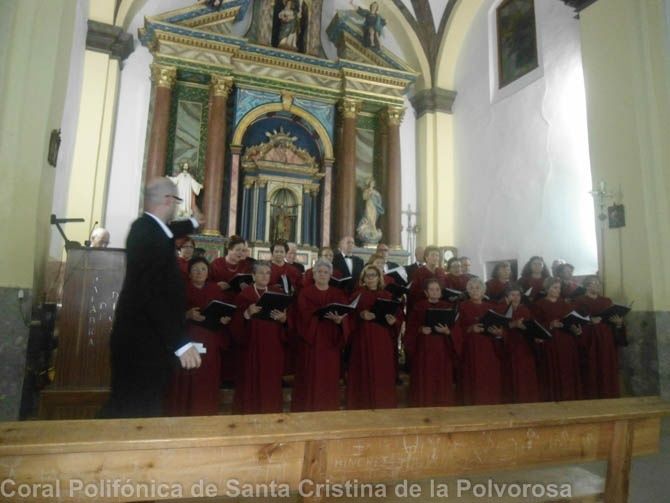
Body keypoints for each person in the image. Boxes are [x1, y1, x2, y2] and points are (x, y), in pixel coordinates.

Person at [103, 177, 202, 418]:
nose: (177, 206)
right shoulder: (148, 233)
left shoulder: (150, 229)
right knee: (132, 412)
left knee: (139, 409)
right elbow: (151, 293)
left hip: (146, 341)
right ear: (168, 200)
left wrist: (193, 222)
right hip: (142, 344)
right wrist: (180, 342)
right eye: (176, 201)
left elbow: (169, 232)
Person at [165, 257, 231, 416]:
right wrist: (186, 314)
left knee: (207, 379)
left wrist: (224, 319)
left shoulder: (215, 290)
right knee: (186, 379)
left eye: (203, 269)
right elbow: (168, 316)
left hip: (210, 340)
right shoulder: (180, 290)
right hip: (186, 342)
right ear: (189, 273)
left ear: (208, 272)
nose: (199, 272)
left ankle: (206, 414)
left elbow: (224, 313)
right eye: (195, 269)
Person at [292, 259, 351, 411]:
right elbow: (302, 316)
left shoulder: (338, 294)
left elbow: (346, 315)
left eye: (325, 272)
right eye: (319, 272)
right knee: (311, 376)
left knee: (328, 376)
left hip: (331, 341)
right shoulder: (306, 293)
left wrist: (340, 321)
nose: (322, 275)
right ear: (314, 274)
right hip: (312, 341)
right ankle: (309, 408)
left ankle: (328, 408)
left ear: (331, 275)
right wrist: (316, 315)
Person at [232, 261, 288, 414]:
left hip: (272, 346)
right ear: (253, 275)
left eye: (268, 273)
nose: (265, 276)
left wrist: (284, 319)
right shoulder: (244, 295)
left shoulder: (278, 294)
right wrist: (247, 313)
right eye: (261, 273)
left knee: (271, 382)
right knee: (250, 380)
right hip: (251, 346)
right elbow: (235, 324)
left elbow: (287, 322)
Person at [347, 264, 399, 409]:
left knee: (382, 371)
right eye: (367, 276)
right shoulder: (356, 296)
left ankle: (383, 404)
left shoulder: (387, 296)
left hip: (382, 339)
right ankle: (361, 404)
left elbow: (397, 318)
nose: (370, 278)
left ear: (379, 278)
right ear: (363, 278)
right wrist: (360, 314)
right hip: (362, 338)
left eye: (373, 275)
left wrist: (393, 321)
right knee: (362, 370)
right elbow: (348, 317)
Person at [405, 278, 460, 406]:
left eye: (437, 289)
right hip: (424, 348)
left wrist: (448, 331)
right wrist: (420, 329)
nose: (435, 292)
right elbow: (410, 328)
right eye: (431, 289)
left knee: (441, 376)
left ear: (441, 292)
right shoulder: (419, 306)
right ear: (426, 292)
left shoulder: (448, 306)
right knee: (425, 377)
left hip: (443, 348)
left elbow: (456, 328)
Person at [531, 277, 583, 401]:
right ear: (547, 288)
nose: (558, 290)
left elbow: (572, 321)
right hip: (550, 342)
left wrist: (576, 330)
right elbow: (535, 325)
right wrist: (550, 324)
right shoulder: (539, 305)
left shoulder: (565, 304)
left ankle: (569, 399)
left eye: (559, 288)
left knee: (567, 371)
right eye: (555, 287)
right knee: (551, 370)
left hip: (566, 342)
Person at [573, 275, 626, 399]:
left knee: (607, 366)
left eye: (598, 283)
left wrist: (619, 323)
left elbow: (614, 320)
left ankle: (609, 395)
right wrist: (590, 321)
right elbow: (574, 321)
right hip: (589, 339)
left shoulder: (606, 301)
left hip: (606, 339)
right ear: (586, 285)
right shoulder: (579, 301)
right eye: (594, 283)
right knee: (591, 368)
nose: (597, 285)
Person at [458, 277, 506, 405]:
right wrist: (470, 328)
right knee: (472, 379)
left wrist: (499, 333)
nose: (474, 291)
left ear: (483, 291)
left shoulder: (491, 307)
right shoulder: (462, 306)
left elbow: (500, 328)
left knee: (489, 378)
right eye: (471, 288)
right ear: (468, 291)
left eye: (478, 288)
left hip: (490, 349)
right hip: (471, 348)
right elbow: (456, 329)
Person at [500, 284, 540, 403]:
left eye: (518, 295)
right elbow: (499, 327)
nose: (516, 297)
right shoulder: (501, 309)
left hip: (525, 347)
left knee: (526, 373)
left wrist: (536, 336)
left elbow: (532, 326)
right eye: (512, 295)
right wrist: (513, 325)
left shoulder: (525, 310)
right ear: (506, 297)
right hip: (508, 347)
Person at [209, 235, 252, 303]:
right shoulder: (217, 263)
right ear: (229, 249)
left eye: (243, 250)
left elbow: (251, 284)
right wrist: (216, 286)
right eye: (238, 250)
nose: (241, 253)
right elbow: (206, 283)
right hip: (219, 300)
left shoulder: (245, 265)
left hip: (239, 301)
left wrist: (246, 287)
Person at [408, 246, 446, 310]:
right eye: (433, 255)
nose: (435, 258)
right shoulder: (419, 272)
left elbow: (444, 288)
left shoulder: (441, 271)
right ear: (426, 257)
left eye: (437, 255)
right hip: (423, 305)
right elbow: (414, 293)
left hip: (439, 305)